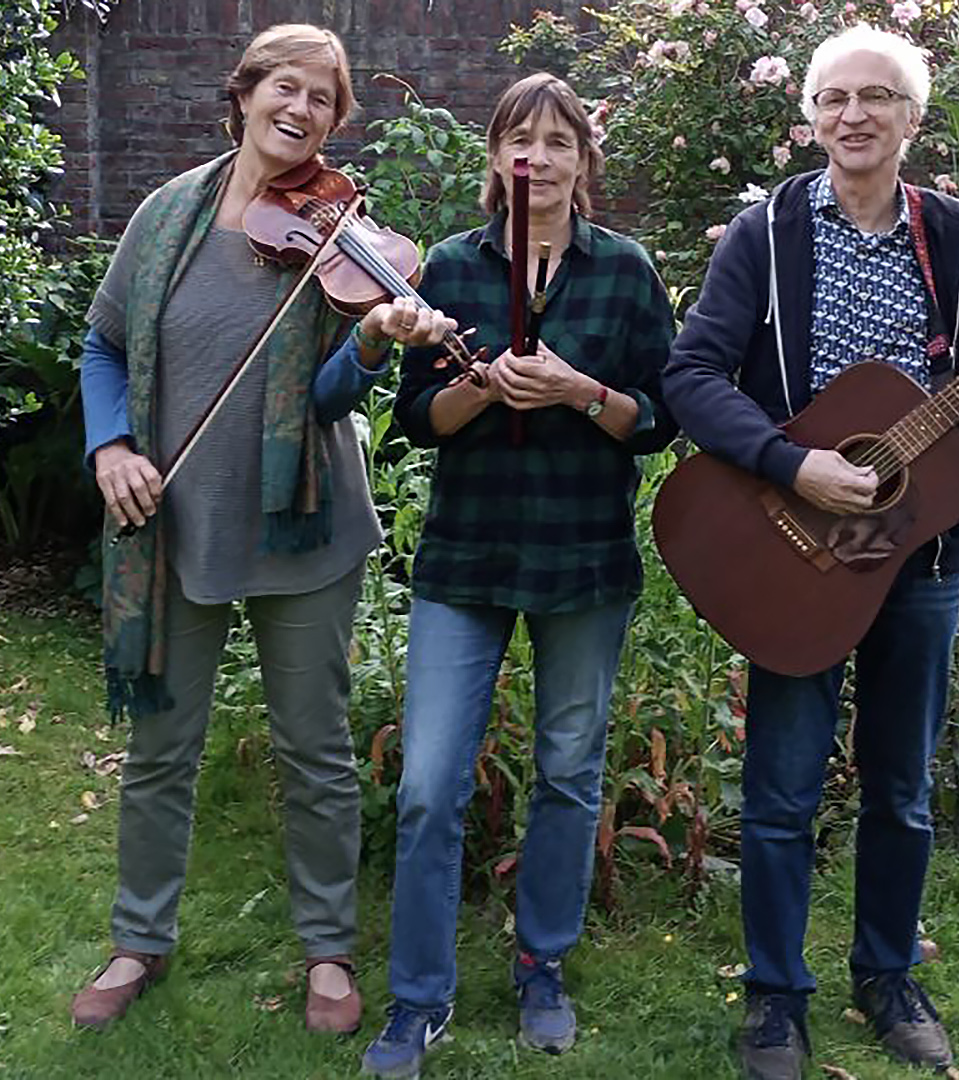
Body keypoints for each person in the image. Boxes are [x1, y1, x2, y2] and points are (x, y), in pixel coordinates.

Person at [664, 24, 959, 1079]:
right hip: (792, 536)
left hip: (917, 551)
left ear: (913, 120)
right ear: (810, 117)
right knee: (782, 789)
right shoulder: (766, 234)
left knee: (902, 786)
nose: (852, 116)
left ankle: (888, 977)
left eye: (876, 97)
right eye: (833, 98)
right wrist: (792, 467)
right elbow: (692, 375)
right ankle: (774, 998)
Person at [69, 23, 452, 1036]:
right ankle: (138, 937)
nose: (302, 110)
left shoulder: (342, 236)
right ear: (243, 93)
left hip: (304, 523)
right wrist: (110, 447)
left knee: (315, 749)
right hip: (175, 519)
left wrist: (369, 345)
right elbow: (103, 346)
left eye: (323, 100)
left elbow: (328, 400)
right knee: (161, 748)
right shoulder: (164, 218)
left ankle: (328, 949)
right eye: (287, 87)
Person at [355, 72, 678, 1079]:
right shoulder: (448, 271)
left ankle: (543, 963)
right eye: (516, 140)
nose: (534, 157)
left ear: (583, 161)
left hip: (584, 557)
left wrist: (581, 391)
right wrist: (482, 392)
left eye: (556, 141)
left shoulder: (624, 273)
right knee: (427, 786)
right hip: (469, 555)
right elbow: (419, 419)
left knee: (571, 775)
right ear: (496, 158)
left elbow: (660, 419)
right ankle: (419, 998)